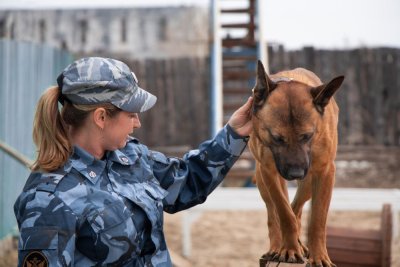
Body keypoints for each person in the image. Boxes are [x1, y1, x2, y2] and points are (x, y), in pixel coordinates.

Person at [14, 57, 253, 267]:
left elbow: (187, 181)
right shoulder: (47, 200)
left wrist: (234, 133)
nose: (137, 123)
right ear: (101, 117)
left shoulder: (130, 156)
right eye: (131, 114)